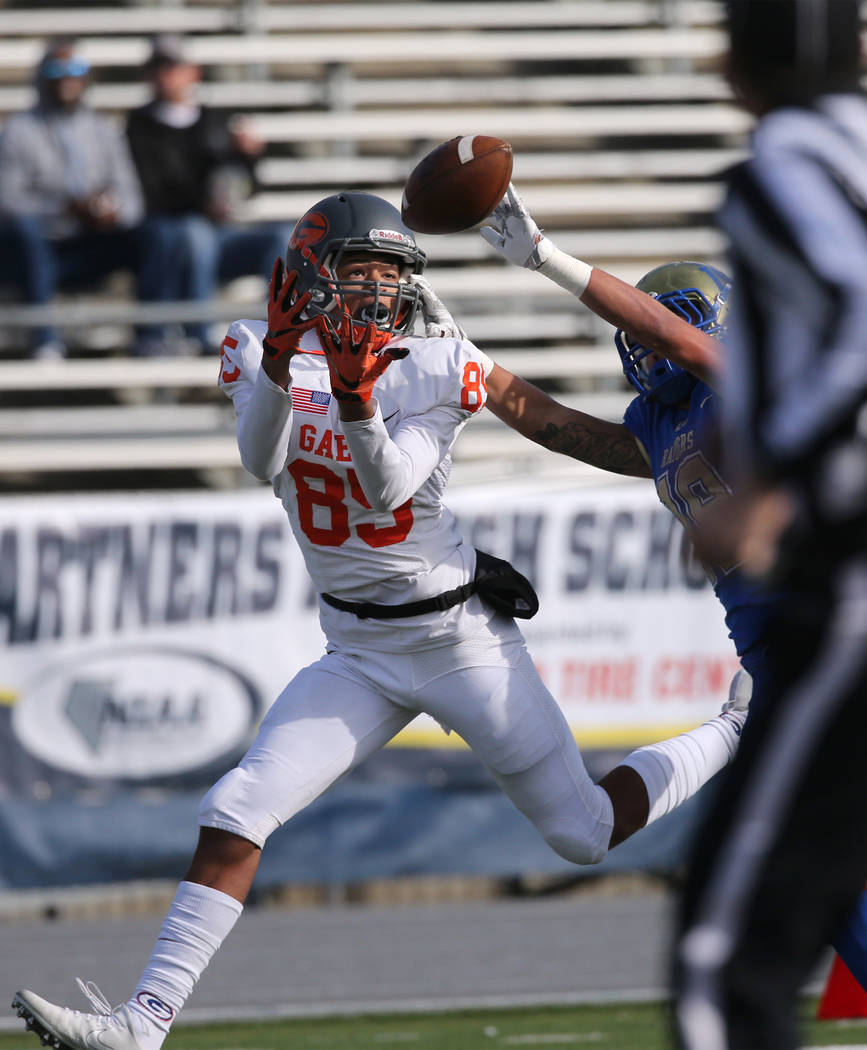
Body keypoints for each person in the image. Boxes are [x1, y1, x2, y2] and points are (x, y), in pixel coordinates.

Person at [12, 191, 749, 1050]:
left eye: (395, 271)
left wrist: (361, 399)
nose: (379, 287)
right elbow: (261, 459)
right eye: (362, 268)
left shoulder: (440, 361)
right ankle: (141, 1025)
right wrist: (285, 363)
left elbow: (393, 485)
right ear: (312, 275)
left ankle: (734, 724)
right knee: (236, 806)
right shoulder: (256, 345)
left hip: (457, 639)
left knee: (581, 832)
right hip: (357, 649)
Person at [476, 182, 867, 1005]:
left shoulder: (740, 380)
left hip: (833, 631)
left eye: (675, 320)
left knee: (797, 853)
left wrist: (547, 259)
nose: (646, 345)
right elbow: (565, 430)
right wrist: (469, 365)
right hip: (780, 645)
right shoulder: (658, 424)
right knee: (806, 862)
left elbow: (684, 347)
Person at [127, 34, 292, 356]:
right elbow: (150, 192)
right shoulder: (138, 128)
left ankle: (279, 334)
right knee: (194, 232)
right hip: (170, 237)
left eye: (172, 65)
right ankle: (200, 333)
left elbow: (245, 186)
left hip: (219, 234)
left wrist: (248, 158)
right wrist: (204, 205)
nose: (166, 74)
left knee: (282, 239)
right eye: (158, 66)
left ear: (193, 72)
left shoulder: (216, 121)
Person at [0, 38, 144, 360]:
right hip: (35, 244)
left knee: (153, 236)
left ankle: (155, 336)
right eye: (57, 68)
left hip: (88, 244)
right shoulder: (18, 130)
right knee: (27, 234)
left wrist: (109, 213)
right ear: (41, 76)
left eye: (76, 68)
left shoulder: (103, 130)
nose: (67, 76)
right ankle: (45, 339)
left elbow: (133, 203)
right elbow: (7, 201)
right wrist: (63, 210)